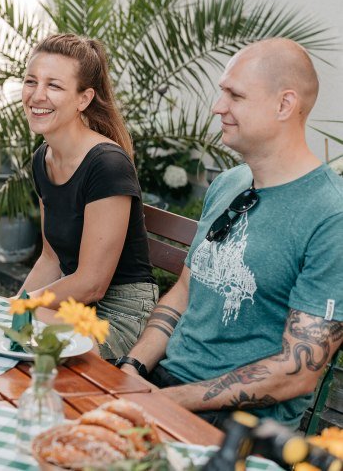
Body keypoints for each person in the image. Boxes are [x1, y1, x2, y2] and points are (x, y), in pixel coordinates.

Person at [118, 38, 343, 428]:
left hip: (240, 422)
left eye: (235, 96)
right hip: (165, 386)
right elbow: (185, 292)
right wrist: (133, 367)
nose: (218, 107)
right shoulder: (229, 183)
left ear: (284, 105)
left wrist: (168, 401)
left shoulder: (330, 215)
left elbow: (298, 370)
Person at [17, 34, 157, 360]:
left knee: (16, 332)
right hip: (73, 305)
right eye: (30, 81)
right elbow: (50, 259)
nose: (37, 95)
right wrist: (13, 306)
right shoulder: (43, 158)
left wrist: (21, 307)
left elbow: (93, 283)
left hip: (119, 315)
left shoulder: (107, 164)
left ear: (84, 99)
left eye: (54, 86)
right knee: (2, 329)